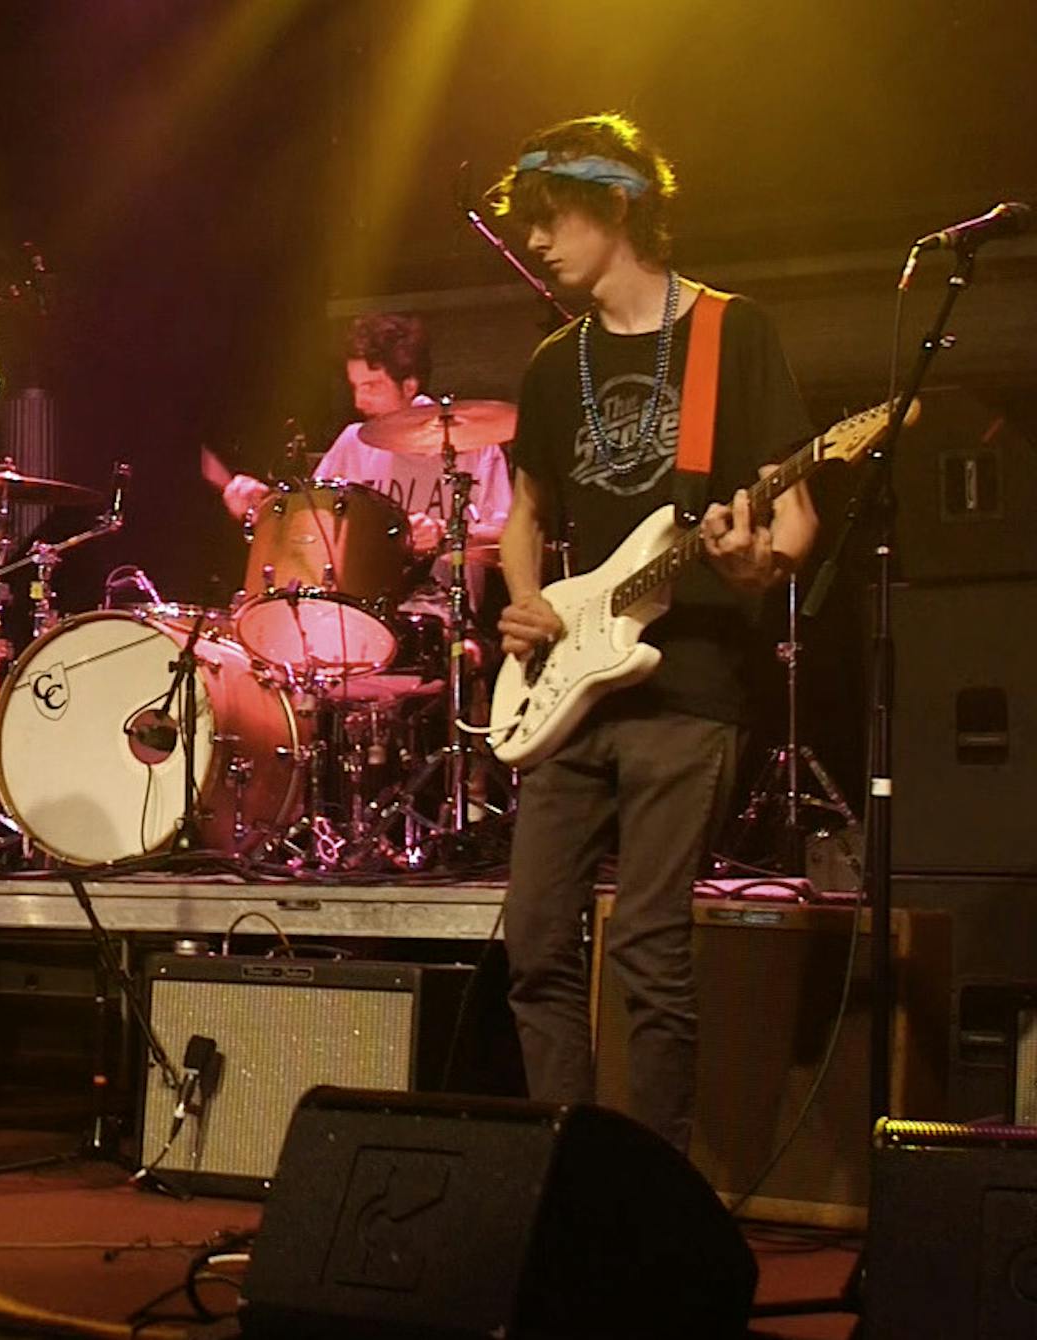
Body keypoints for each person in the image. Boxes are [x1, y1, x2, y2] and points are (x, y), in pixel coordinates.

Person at [487, 114, 818, 1149]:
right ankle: (562, 1167)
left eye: (552, 218)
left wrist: (751, 560)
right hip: (568, 681)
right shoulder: (553, 361)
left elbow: (795, 518)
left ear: (618, 205)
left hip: (690, 683)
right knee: (537, 940)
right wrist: (531, 598)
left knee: (648, 942)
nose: (536, 241)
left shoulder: (731, 332)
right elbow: (526, 516)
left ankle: (653, 1191)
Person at [205, 313, 514, 611]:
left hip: (440, 618)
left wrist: (446, 533)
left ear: (409, 385)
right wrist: (264, 506)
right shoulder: (354, 441)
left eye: (372, 386)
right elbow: (310, 526)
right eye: (355, 386)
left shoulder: (475, 445)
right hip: (356, 614)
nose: (358, 402)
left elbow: (509, 540)